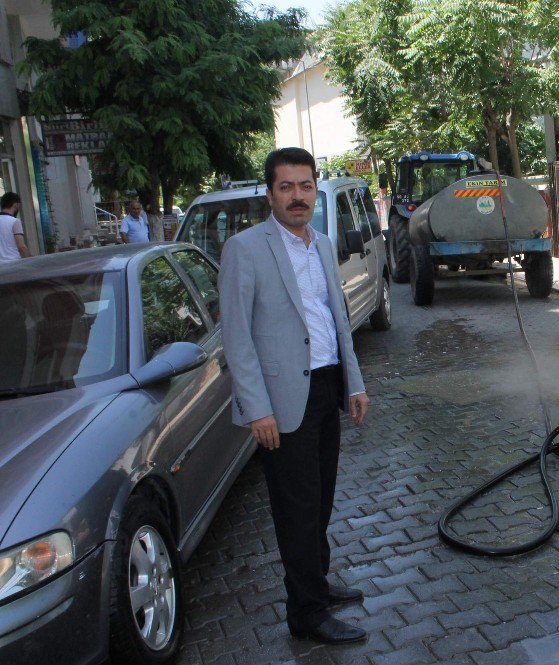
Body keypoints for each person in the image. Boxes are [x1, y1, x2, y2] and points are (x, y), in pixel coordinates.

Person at [219, 147, 371, 645]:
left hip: (326, 386)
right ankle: (306, 612)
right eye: (286, 187)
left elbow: (336, 319)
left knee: (322, 498)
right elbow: (237, 336)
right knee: (296, 509)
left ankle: (317, 585)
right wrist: (255, 407)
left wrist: (355, 382)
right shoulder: (245, 249)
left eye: (305, 186)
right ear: (269, 194)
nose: (298, 196)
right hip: (282, 400)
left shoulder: (322, 245)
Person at [0, 192, 30, 263]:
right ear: (15, 205)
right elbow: (21, 247)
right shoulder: (14, 221)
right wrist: (32, 261)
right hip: (14, 264)